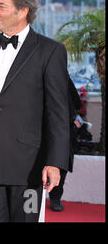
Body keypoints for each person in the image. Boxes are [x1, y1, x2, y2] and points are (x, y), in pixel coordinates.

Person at [0, 0, 70, 222]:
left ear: (23, 10)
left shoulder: (51, 51)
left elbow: (58, 112)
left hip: (30, 168)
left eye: (1, 6)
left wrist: (55, 163)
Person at [49, 76, 82, 211]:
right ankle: (54, 198)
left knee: (61, 163)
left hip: (64, 126)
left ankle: (55, 198)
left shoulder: (65, 79)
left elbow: (77, 102)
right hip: (52, 126)